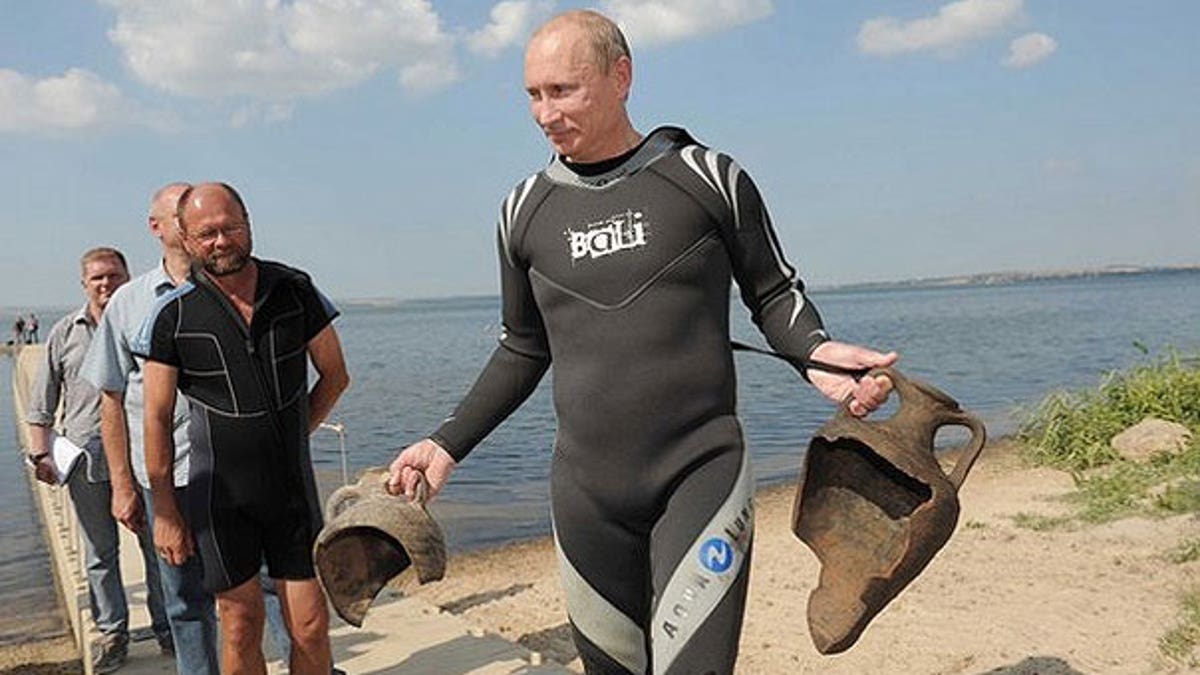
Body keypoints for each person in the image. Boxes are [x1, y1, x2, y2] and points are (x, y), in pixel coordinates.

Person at [387, 10, 896, 675]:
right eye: (533, 95)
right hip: (586, 494)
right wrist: (447, 441)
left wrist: (816, 355)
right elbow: (523, 345)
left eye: (562, 90)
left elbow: (772, 293)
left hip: (699, 473)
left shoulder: (705, 177)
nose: (545, 113)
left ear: (620, 76)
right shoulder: (523, 210)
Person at [137, 182, 349, 675]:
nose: (221, 241)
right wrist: (165, 507)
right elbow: (156, 417)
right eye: (207, 233)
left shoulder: (293, 290)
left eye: (230, 228)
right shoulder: (174, 315)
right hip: (220, 497)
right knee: (239, 623)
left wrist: (293, 435)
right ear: (186, 240)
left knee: (311, 627)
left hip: (292, 493)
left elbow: (335, 375)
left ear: (248, 222)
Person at [80, 183, 221, 674]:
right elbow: (111, 400)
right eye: (178, 213)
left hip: (235, 470)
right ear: (156, 227)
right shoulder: (129, 304)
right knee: (184, 598)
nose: (191, 220)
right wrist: (122, 485)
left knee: (267, 582)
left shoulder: (234, 285)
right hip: (168, 476)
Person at [25, 247, 172, 674]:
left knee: (157, 546)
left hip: (144, 458)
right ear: (84, 284)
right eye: (98, 278)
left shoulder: (146, 324)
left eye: (114, 276)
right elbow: (41, 406)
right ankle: (113, 634)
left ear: (128, 277)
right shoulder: (63, 334)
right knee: (100, 553)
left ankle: (167, 628)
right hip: (86, 463)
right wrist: (40, 455)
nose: (107, 284)